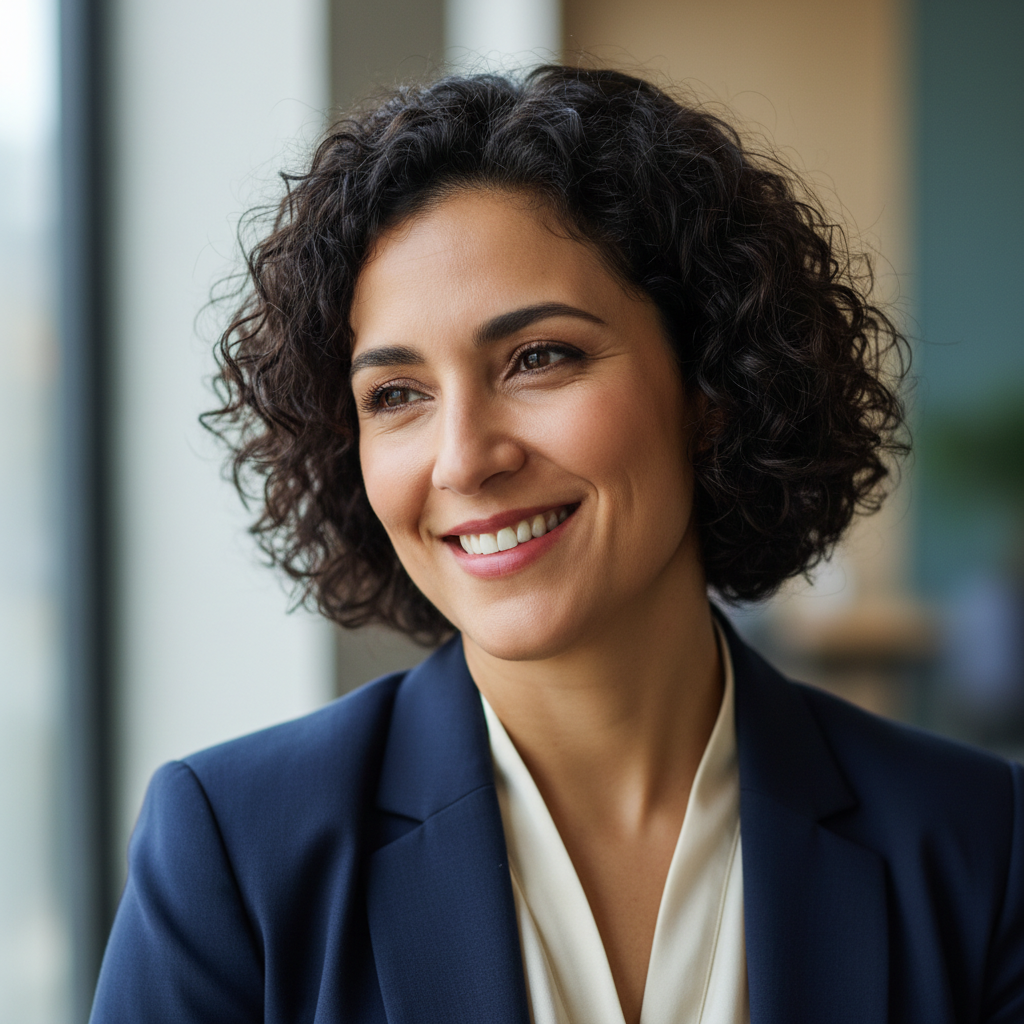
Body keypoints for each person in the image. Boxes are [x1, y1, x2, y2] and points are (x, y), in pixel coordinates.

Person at [89, 66, 1024, 1024]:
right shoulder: (234, 851)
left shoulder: (981, 845)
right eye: (396, 395)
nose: (464, 459)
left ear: (710, 384)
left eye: (540, 358)